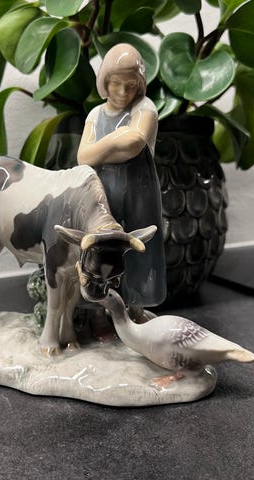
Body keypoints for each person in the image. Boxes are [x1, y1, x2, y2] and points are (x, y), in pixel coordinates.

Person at [77, 43, 166, 321]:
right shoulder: (95, 115)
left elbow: (135, 144)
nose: (123, 91)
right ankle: (102, 312)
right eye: (116, 83)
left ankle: (136, 308)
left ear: (140, 84)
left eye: (130, 85)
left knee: (138, 247)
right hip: (103, 194)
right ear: (105, 82)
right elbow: (83, 157)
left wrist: (103, 149)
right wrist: (116, 139)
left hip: (139, 193)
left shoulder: (145, 107)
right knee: (104, 249)